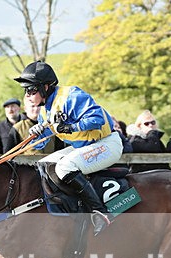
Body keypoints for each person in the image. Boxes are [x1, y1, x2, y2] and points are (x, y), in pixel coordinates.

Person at [15, 60, 122, 235]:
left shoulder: (71, 96)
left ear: (46, 87)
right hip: (84, 145)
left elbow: (98, 119)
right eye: (26, 91)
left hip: (106, 143)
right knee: (42, 164)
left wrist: (71, 127)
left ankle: (100, 213)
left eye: (31, 89)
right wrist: (36, 133)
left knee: (65, 167)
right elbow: (41, 143)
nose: (27, 95)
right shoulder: (44, 111)